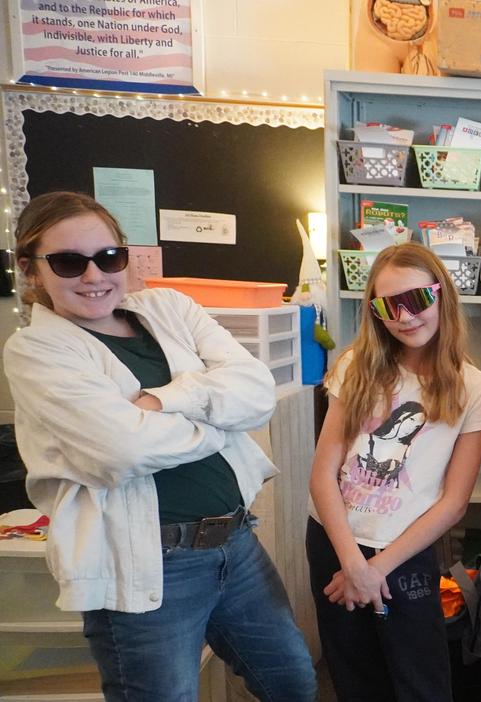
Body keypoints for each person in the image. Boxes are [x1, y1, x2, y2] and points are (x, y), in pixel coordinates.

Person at [3, 191, 315, 700]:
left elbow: (256, 392)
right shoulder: (37, 349)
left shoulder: (169, 307)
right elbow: (120, 450)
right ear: (32, 271)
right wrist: (220, 420)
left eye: (108, 257)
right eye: (67, 262)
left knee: (293, 681)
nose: (93, 275)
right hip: (146, 559)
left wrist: (159, 401)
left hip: (235, 543)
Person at [307, 243, 481, 700]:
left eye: (416, 299)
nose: (404, 316)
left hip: (404, 548)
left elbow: (454, 502)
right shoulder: (356, 367)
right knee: (354, 674)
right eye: (387, 305)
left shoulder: (473, 388)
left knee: (421, 679)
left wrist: (374, 568)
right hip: (333, 539)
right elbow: (323, 474)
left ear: (442, 296)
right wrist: (353, 564)